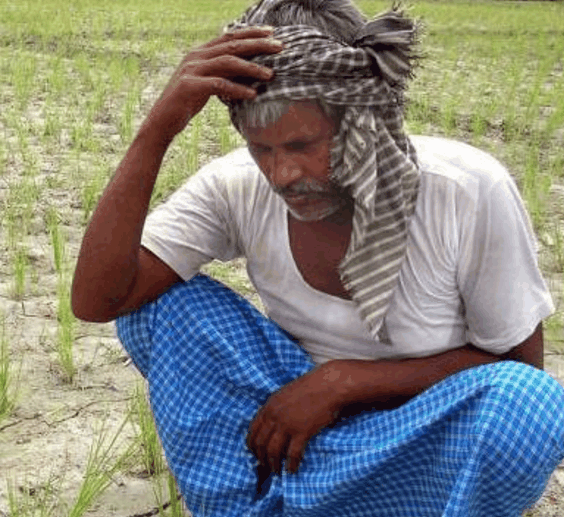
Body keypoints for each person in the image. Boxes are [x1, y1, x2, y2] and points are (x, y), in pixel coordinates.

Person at [71, 0, 564, 515]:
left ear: (364, 120)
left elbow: (520, 366)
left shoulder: (466, 191)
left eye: (304, 144)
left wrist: (343, 383)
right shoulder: (234, 187)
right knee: (155, 309)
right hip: (290, 428)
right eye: (261, 149)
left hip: (414, 433)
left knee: (524, 407)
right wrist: (157, 131)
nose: (282, 174)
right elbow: (99, 297)